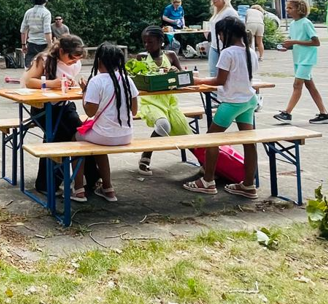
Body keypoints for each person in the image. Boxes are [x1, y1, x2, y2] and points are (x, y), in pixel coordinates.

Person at [185, 18, 259, 198]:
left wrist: (198, 81)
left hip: (232, 102)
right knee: (249, 143)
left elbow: (220, 80)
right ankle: (249, 184)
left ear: (225, 33)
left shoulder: (228, 53)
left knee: (211, 140)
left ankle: (208, 181)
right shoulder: (250, 51)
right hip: (248, 100)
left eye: (219, 33)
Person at [22, 35, 97, 196]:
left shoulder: (75, 63)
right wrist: (50, 83)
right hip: (43, 106)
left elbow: (69, 81)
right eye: (70, 57)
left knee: (82, 134)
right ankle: (47, 183)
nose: (72, 61)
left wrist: (73, 85)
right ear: (61, 51)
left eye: (76, 59)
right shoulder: (44, 59)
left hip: (65, 105)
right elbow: (29, 82)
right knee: (57, 136)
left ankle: (92, 178)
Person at [73, 42, 139, 203]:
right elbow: (135, 111)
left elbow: (89, 112)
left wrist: (84, 91)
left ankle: (78, 189)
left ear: (99, 60)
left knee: (75, 139)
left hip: (104, 136)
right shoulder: (127, 80)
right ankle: (108, 188)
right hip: (126, 135)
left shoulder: (96, 81)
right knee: (100, 149)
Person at [135, 27, 187, 176]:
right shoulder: (142, 57)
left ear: (160, 41)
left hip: (169, 101)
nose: (146, 45)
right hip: (150, 102)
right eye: (144, 42)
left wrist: (177, 72)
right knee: (164, 126)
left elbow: (183, 75)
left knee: (186, 133)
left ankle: (206, 164)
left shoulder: (170, 55)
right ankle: (146, 156)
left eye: (150, 42)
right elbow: (137, 79)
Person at [273, 0, 328, 125]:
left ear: (299, 9)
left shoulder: (306, 23)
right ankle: (324, 113)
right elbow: (296, 41)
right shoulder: (293, 24)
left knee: (297, 85)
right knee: (311, 86)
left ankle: (287, 113)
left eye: (290, 8)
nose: (287, 10)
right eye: (287, 8)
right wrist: (288, 47)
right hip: (298, 59)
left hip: (307, 59)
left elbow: (316, 42)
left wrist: (294, 42)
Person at [204, 0, 239, 76]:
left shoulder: (230, 12)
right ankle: (214, 90)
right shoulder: (216, 12)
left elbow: (236, 28)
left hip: (226, 47)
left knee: (228, 71)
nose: (213, 0)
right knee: (213, 72)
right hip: (214, 45)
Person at [20, 0, 54, 69]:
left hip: (31, 43)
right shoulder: (46, 13)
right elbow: (47, 31)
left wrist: (23, 44)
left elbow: (23, 30)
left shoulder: (28, 12)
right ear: (45, 1)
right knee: (44, 67)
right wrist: (50, 45)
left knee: (29, 66)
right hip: (43, 43)